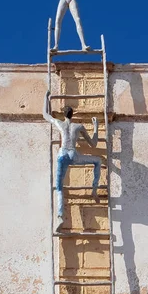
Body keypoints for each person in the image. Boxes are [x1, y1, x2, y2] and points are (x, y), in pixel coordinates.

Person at [42, 91, 102, 231]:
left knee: (59, 187)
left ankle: (60, 216)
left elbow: (45, 114)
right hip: (73, 155)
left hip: (62, 154)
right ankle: (94, 191)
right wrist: (96, 127)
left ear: (64, 115)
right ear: (72, 114)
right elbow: (93, 143)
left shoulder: (59, 123)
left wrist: (46, 98)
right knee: (97, 161)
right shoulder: (78, 126)